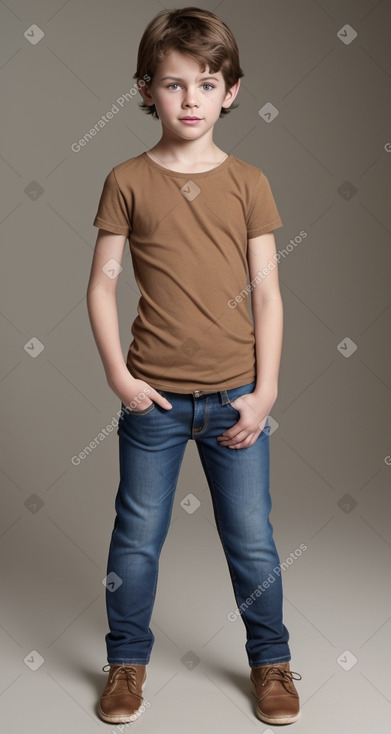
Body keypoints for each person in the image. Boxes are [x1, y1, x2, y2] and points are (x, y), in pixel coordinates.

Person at [87, 6, 302, 726]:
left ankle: (271, 662)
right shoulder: (126, 179)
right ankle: (126, 664)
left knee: (251, 538)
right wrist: (120, 376)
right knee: (137, 537)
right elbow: (102, 283)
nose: (188, 100)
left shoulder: (249, 182)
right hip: (154, 401)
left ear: (230, 92)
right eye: (172, 84)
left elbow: (268, 292)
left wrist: (264, 391)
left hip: (236, 399)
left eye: (204, 84)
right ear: (146, 90)